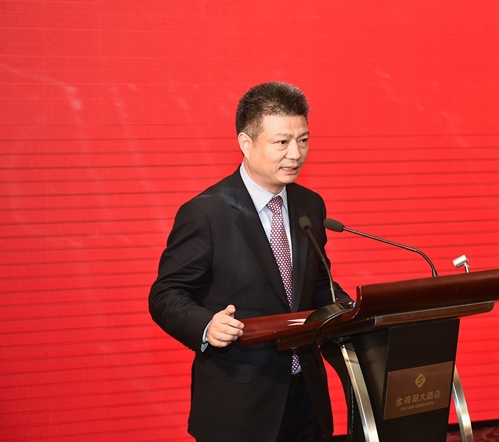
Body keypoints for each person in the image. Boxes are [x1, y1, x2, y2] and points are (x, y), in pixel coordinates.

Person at [149, 81, 352, 442]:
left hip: (306, 399)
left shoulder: (310, 205)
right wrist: (206, 325)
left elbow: (318, 284)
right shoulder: (206, 213)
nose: (296, 154)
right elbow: (166, 295)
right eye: (282, 142)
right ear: (246, 142)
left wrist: (354, 312)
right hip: (239, 407)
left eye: (303, 140)